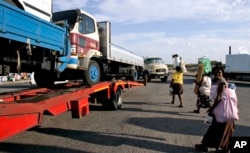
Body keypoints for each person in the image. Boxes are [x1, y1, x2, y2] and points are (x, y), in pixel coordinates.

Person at [194, 71, 235, 153]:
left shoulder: (222, 83)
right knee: (221, 130)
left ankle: (208, 146)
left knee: (216, 130)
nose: (217, 75)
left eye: (219, 73)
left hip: (222, 112)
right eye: (216, 73)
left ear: (223, 74)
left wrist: (212, 109)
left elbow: (219, 97)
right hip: (225, 112)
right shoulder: (224, 83)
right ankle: (221, 148)